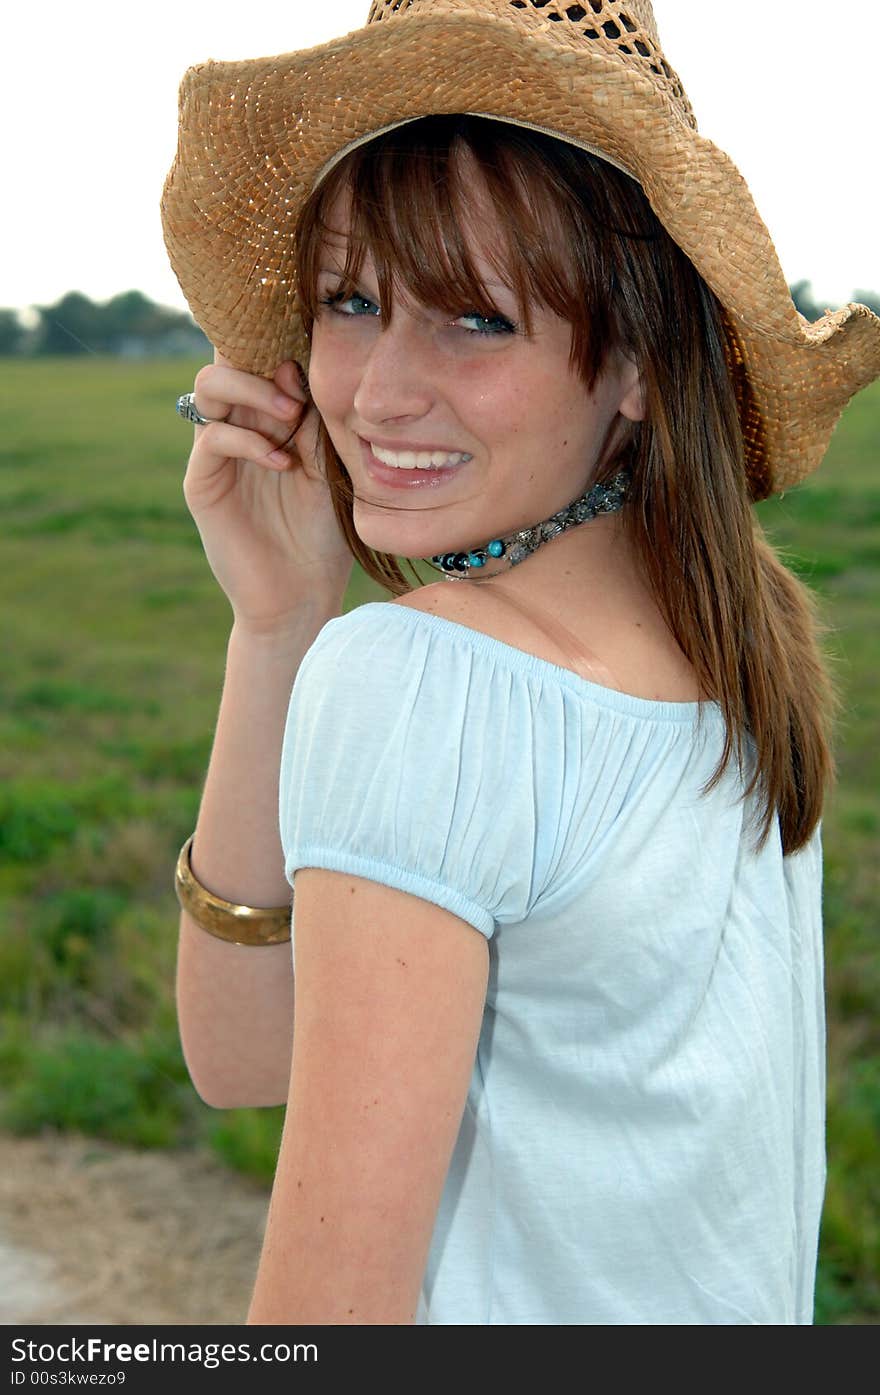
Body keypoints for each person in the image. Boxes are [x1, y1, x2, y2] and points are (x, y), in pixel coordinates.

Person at [161, 1, 880, 1325]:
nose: (375, 392)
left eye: (474, 320)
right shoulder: (735, 642)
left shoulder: (433, 685)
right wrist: (278, 627)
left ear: (640, 367)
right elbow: (245, 1055)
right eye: (350, 301)